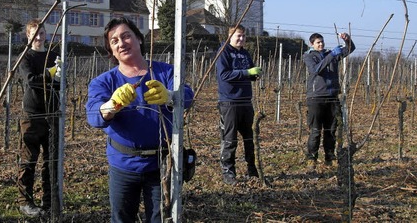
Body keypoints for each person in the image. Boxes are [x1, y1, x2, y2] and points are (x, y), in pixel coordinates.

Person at [86, 17, 194, 223]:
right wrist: (112, 105)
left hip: (161, 164)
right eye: (114, 41)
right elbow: (93, 115)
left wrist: (171, 96)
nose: (121, 43)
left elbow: (187, 95)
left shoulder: (165, 72)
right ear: (111, 50)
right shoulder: (103, 81)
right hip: (123, 164)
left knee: (161, 218)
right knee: (121, 218)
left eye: (126, 36)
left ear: (139, 39)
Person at [16, 19, 62, 218]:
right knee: (28, 159)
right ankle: (25, 201)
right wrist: (50, 76)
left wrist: (58, 77)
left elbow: (61, 85)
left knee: (51, 161)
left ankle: (49, 200)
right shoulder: (25, 57)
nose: (39, 37)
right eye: (34, 34)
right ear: (28, 36)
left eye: (41, 33)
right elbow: (31, 81)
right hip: (32, 114)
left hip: (52, 113)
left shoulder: (54, 56)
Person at [215, 24, 262, 186]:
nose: (241, 39)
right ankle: (228, 172)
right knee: (229, 140)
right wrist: (247, 73)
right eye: (238, 36)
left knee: (250, 137)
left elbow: (249, 71)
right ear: (229, 37)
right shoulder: (223, 52)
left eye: (243, 36)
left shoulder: (244, 53)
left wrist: (254, 75)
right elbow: (224, 75)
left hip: (246, 101)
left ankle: (252, 168)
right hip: (229, 102)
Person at [303, 32, 355, 170]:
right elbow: (315, 70)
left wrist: (347, 40)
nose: (321, 44)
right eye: (318, 42)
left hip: (332, 97)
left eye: (322, 42)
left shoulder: (330, 54)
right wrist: (332, 55)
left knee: (331, 129)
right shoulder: (308, 56)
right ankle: (311, 158)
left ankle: (330, 157)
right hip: (316, 97)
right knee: (315, 130)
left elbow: (350, 49)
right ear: (312, 44)